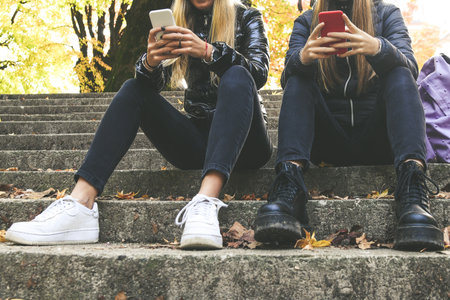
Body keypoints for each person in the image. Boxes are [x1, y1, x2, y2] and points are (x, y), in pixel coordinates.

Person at [6, 0, 272, 250]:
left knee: (237, 74)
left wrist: (208, 51)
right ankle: (81, 203)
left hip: (247, 142)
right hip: (198, 140)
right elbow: (153, 85)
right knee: (133, 88)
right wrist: (150, 63)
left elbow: (258, 72)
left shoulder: (247, 16)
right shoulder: (178, 19)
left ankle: (205, 202)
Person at [254, 0, 444, 251]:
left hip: (379, 140)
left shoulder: (387, 14)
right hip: (327, 142)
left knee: (400, 72)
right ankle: (289, 186)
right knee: (298, 76)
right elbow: (287, 77)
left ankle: (412, 192)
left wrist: (377, 47)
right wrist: (304, 58)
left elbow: (411, 68)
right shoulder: (307, 20)